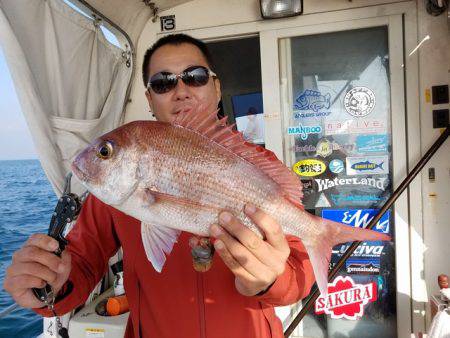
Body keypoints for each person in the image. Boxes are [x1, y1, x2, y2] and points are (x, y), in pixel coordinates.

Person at [3, 34, 314, 338]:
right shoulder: (117, 184)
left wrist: (270, 281)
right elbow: (81, 264)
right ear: (150, 99)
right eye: (163, 83)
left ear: (217, 88)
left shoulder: (260, 168)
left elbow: (301, 272)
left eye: (196, 76)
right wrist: (48, 284)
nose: (180, 91)